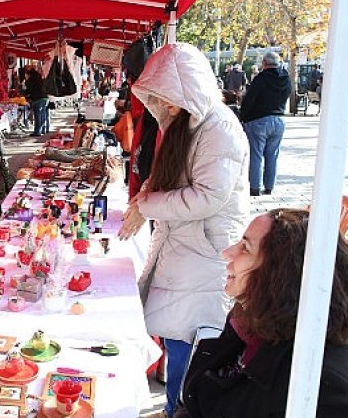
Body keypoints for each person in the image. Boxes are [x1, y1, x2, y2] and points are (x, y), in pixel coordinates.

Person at [117, 42, 249, 418]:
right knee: (177, 341)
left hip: (206, 253)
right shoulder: (182, 125)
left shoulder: (220, 128)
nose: (164, 105)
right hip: (181, 250)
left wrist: (146, 206)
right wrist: (143, 198)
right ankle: (175, 406)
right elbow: (163, 177)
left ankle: (178, 409)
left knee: (192, 347)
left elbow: (207, 197)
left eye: (167, 97)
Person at [176, 208, 348, 418]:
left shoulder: (322, 389)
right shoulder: (251, 322)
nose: (228, 252)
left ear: (279, 276)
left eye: (245, 247)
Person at [239, 52, 292, 196]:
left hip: (259, 120)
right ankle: (269, 186)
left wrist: (243, 117)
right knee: (272, 155)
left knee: (256, 155)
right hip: (279, 119)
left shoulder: (260, 79)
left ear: (264, 63)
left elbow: (250, 100)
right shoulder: (286, 79)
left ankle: (254, 187)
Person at [24, 67, 48, 136]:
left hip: (38, 99)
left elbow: (29, 90)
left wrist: (24, 94)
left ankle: (37, 132)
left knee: (37, 116)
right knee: (43, 114)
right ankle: (43, 130)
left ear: (29, 74)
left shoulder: (31, 80)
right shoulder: (40, 79)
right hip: (45, 98)